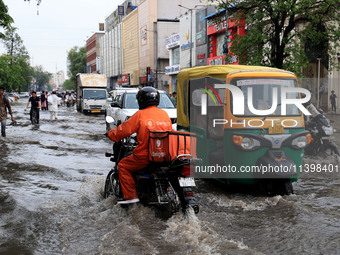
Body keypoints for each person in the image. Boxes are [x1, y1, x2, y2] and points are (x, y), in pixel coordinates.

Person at [107, 87, 172, 204]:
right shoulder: (164, 114)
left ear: (141, 100)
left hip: (145, 156)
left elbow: (122, 131)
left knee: (123, 166)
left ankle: (131, 198)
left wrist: (110, 134)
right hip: (164, 154)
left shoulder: (140, 115)